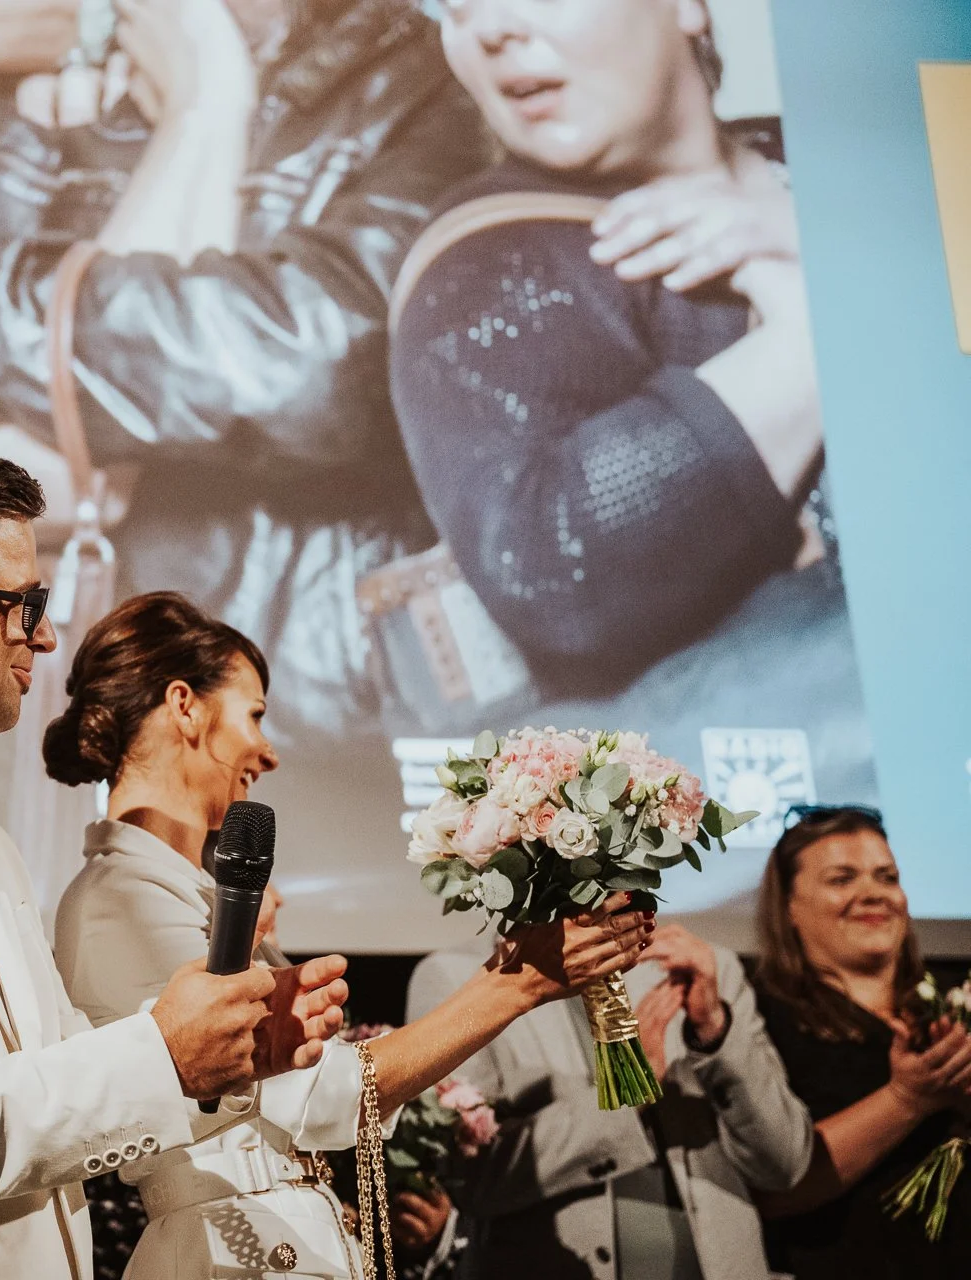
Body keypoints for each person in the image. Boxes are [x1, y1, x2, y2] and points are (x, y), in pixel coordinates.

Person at [0, 0, 493, 758]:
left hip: (293, 722)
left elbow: (297, 366)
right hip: (52, 728)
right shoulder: (64, 107)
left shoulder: (446, 85)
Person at [0, 442, 350, 1279]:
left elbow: (58, 1066)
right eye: (23, 604)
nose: (44, 636)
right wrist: (159, 1055)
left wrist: (233, 1051)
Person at [45, 591, 655, 1278]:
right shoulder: (118, 899)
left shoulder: (194, 898)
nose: (268, 753)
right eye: (255, 716)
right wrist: (516, 984)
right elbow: (321, 1097)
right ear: (184, 705)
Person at [385, 0, 868, 810]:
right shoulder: (486, 258)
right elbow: (551, 573)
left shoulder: (856, 173)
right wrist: (815, 338)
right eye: (457, 5)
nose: (490, 29)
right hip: (749, 825)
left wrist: (836, 239)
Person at [407, 916, 813, 1280]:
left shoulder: (700, 964)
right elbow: (470, 1180)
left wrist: (716, 1033)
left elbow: (785, 1165)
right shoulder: (458, 980)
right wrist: (626, 1090)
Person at [750, 805, 971, 1278]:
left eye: (887, 877)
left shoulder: (952, 999)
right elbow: (772, 1190)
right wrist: (906, 1099)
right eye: (842, 879)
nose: (873, 893)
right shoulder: (760, 1019)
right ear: (789, 907)